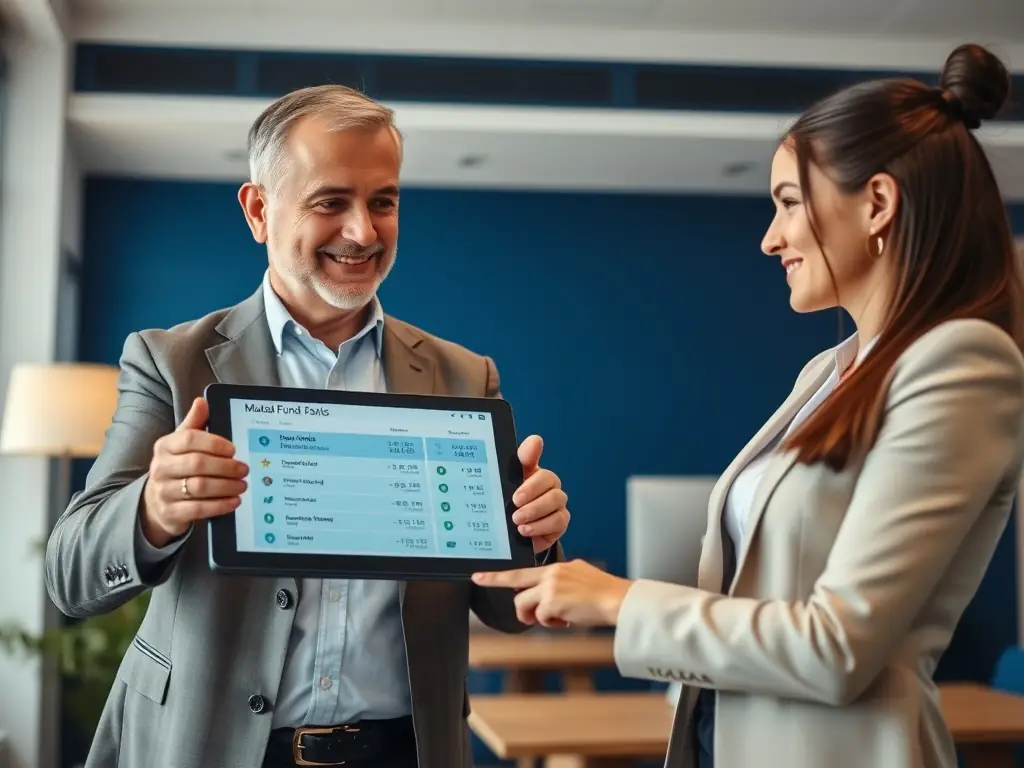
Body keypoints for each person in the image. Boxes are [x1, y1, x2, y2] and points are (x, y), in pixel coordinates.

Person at [473, 42, 1024, 768]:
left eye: (789, 203)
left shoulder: (962, 365)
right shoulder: (827, 373)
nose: (770, 239)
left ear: (879, 204)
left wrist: (618, 601)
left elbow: (835, 649)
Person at [44, 85, 570, 768]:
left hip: (403, 751)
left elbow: (504, 608)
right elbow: (71, 575)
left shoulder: (464, 376)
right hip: (209, 748)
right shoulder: (169, 363)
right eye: (331, 202)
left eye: (383, 201)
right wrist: (150, 509)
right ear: (259, 209)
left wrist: (535, 539)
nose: (363, 230)